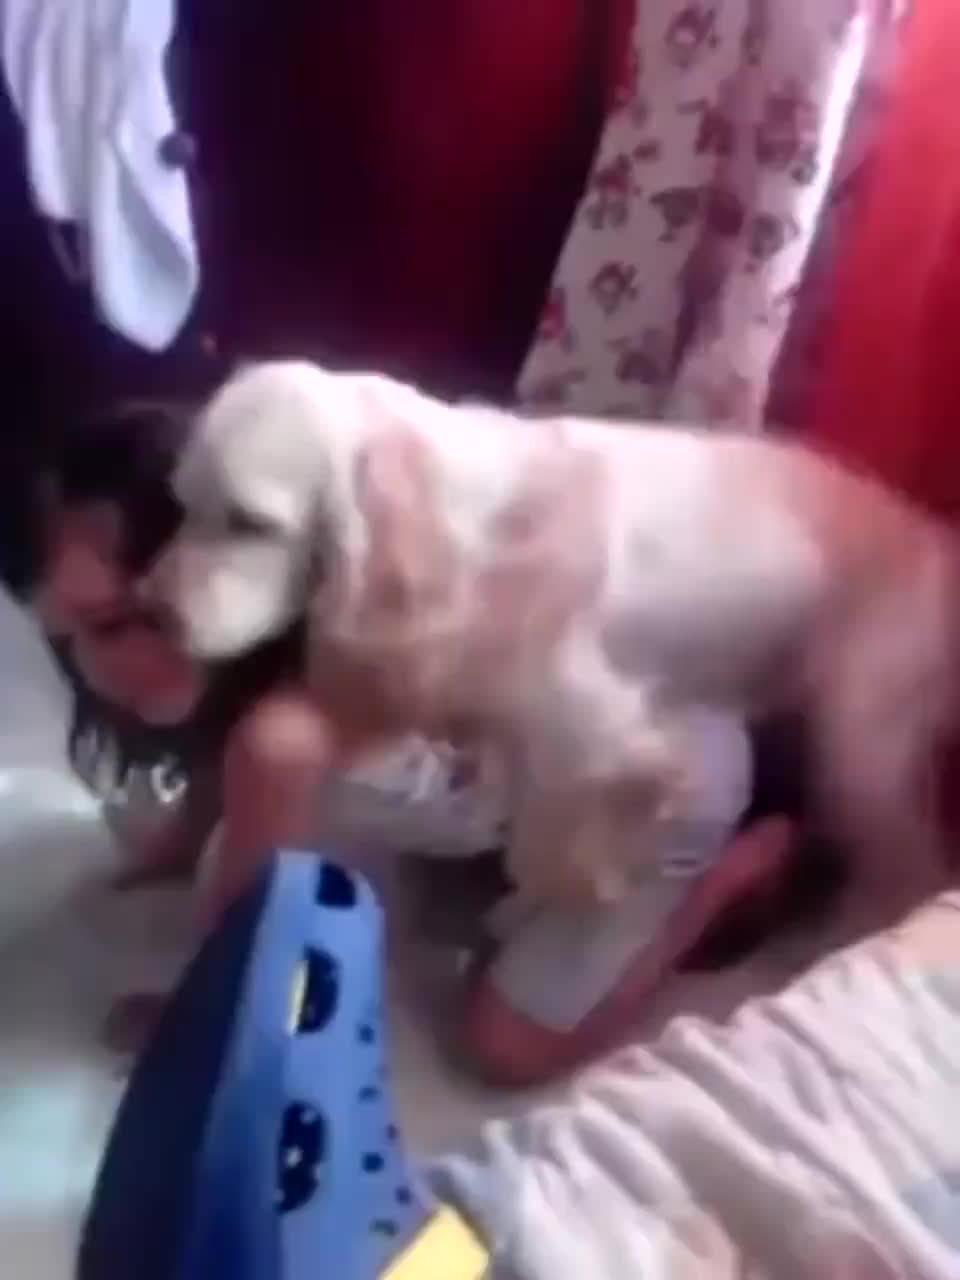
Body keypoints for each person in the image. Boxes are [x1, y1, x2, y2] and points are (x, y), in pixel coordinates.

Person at [27, 401, 795, 1084]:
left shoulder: (280, 738)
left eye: (118, 625)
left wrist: (190, 1020)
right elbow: (209, 751)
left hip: (663, 787)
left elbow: (245, 940)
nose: (92, 667)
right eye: (71, 634)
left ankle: (726, 879)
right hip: (540, 766)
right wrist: (175, 844)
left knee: (505, 1047)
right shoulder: (263, 644)